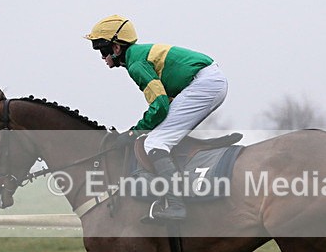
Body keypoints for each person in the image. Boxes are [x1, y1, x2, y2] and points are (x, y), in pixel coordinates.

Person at [84, 15, 228, 222]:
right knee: (160, 134)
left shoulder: (136, 64)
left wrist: (135, 131)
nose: (101, 56)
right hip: (207, 82)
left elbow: (160, 106)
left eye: (102, 50)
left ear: (116, 49)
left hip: (205, 84)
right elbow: (164, 106)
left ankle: (176, 205)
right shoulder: (137, 56)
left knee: (156, 142)